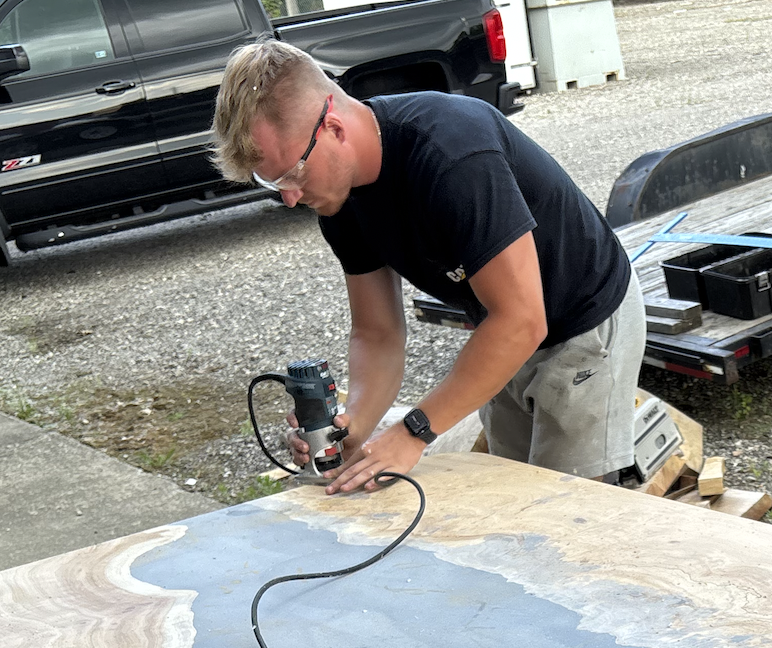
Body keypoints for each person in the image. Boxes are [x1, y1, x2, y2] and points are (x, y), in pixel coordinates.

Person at [211, 40, 646, 495]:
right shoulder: (338, 199)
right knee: (514, 493)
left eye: (293, 174)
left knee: (570, 506)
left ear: (333, 128)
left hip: (584, 318)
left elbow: (522, 320)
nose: (289, 198)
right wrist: (352, 426)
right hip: (501, 328)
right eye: (272, 183)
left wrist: (414, 431)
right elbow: (377, 332)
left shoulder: (452, 155)